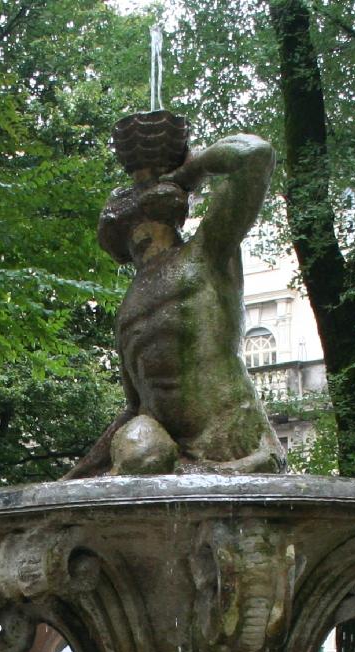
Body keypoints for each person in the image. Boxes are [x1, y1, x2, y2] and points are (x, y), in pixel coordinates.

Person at [66, 122, 285, 478]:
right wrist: (75, 478)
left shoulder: (208, 253)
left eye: (142, 217)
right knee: (139, 446)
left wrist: (188, 172)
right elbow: (134, 407)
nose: (136, 231)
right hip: (157, 445)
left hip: (227, 438)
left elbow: (255, 155)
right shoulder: (127, 308)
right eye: (127, 224)